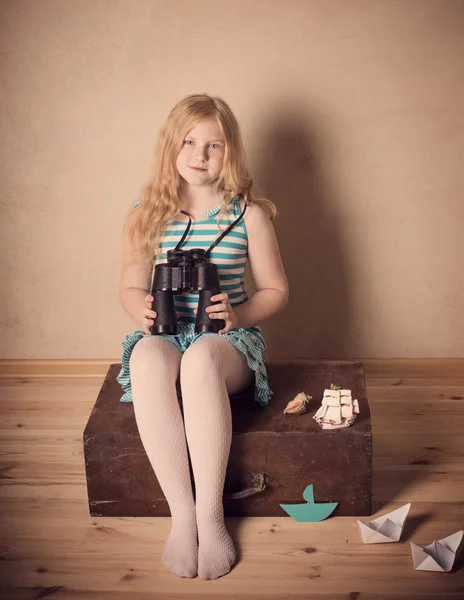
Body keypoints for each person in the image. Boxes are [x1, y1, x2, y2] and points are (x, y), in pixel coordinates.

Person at [116, 93, 289, 580]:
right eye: (189, 142)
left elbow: (276, 290)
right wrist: (144, 310)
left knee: (201, 360)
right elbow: (129, 285)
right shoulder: (148, 211)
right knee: (149, 357)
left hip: (226, 343)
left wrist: (238, 314)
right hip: (170, 334)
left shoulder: (248, 214)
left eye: (214, 145)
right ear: (170, 147)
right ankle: (183, 515)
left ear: (230, 152)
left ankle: (211, 515)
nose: (199, 155)